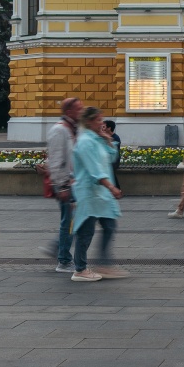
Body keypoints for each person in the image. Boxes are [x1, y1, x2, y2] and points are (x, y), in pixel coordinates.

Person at [69, 107, 127, 281]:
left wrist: (108, 140)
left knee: (109, 226)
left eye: (102, 119)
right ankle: (80, 269)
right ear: (88, 122)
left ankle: (104, 265)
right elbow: (94, 169)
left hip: (101, 194)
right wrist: (111, 187)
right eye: (98, 120)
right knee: (86, 232)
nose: (102, 123)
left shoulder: (96, 139)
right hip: (89, 193)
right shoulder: (85, 141)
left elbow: (109, 159)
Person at [42, 97, 81, 273]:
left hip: (74, 183)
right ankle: (64, 260)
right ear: (69, 112)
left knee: (74, 221)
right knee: (69, 223)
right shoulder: (60, 130)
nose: (82, 111)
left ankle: (58, 247)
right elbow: (56, 160)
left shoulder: (74, 129)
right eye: (78, 109)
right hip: (67, 184)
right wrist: (62, 186)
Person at [103, 119, 121, 191]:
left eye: (104, 127)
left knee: (110, 169)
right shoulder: (105, 136)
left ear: (109, 128)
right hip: (108, 158)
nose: (102, 128)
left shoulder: (115, 138)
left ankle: (117, 188)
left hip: (114, 159)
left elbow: (113, 150)